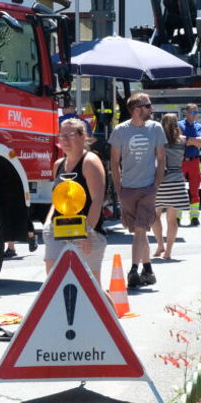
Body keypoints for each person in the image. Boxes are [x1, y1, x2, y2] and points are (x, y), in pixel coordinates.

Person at [109, 92, 165, 289]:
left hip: (148, 187)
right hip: (128, 188)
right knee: (138, 232)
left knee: (140, 230)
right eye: (147, 105)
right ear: (136, 109)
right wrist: (119, 188)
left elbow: (161, 159)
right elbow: (114, 163)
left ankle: (133, 270)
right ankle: (148, 269)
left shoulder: (156, 128)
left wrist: (156, 186)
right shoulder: (120, 131)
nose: (151, 109)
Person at [44, 118, 107, 282]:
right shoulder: (58, 164)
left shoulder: (90, 162)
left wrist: (87, 232)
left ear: (82, 136)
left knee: (91, 287)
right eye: (61, 136)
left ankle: (110, 309)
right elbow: (57, 200)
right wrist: (47, 224)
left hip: (86, 232)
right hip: (59, 231)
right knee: (54, 284)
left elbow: (97, 200)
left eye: (69, 135)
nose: (64, 140)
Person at [151, 114, 189, 259]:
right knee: (172, 220)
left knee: (155, 215)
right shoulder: (182, 141)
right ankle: (168, 252)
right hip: (177, 181)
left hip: (159, 182)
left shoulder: (158, 142)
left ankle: (160, 244)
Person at [180, 103, 201, 226]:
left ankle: (194, 217)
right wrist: (192, 141)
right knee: (179, 189)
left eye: (196, 113)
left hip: (195, 161)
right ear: (186, 112)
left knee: (195, 190)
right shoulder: (179, 125)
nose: (194, 115)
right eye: (192, 112)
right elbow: (178, 140)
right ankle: (177, 217)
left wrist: (187, 140)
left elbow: (200, 143)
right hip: (181, 161)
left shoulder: (199, 127)